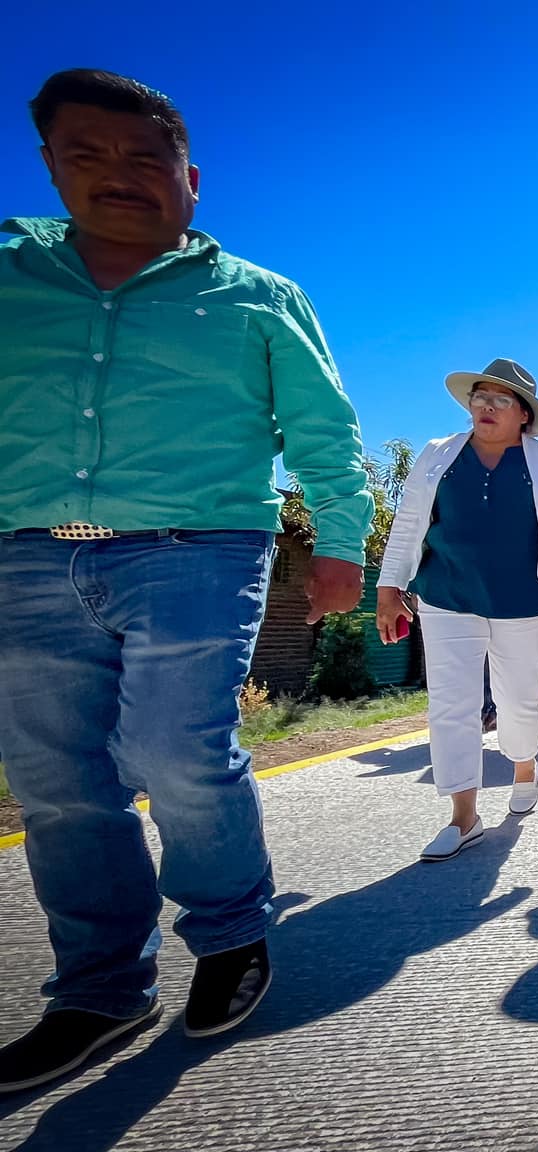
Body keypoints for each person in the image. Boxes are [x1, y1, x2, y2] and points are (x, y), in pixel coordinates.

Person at [0, 69, 373, 1088]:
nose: (118, 176)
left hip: (198, 548)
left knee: (176, 749)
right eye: (88, 155)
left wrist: (342, 544)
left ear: (190, 178)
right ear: (49, 166)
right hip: (23, 549)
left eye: (145, 158)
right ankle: (100, 988)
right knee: (57, 782)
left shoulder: (257, 297)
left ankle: (227, 932)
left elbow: (326, 435)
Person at [377, 359, 538, 858]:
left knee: (518, 699)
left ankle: (523, 763)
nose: (486, 406)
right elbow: (409, 523)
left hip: (524, 600)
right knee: (452, 704)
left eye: (501, 399)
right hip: (447, 596)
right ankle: (463, 816)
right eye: (480, 396)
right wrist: (389, 585)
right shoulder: (438, 454)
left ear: (522, 416)